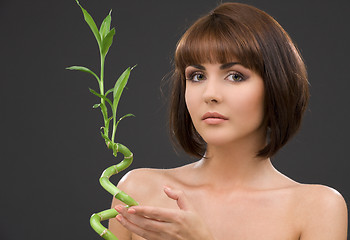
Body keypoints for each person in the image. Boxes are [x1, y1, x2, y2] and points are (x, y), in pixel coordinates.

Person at [109, 2, 348, 239]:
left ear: (276, 85)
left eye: (235, 76)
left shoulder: (318, 208)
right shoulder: (138, 190)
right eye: (197, 76)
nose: (210, 94)